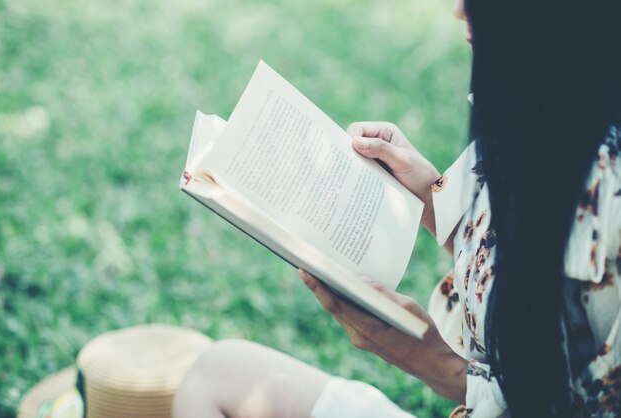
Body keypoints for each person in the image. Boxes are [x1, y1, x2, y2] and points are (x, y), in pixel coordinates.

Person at [173, 0, 621, 416]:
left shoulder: (609, 185)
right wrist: (428, 197)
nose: (459, 9)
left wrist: (436, 364)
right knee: (216, 371)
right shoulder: (544, 102)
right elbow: (538, 276)